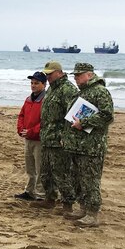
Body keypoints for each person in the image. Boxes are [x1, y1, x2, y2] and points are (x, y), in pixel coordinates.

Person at [62, 63, 114, 227]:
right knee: (78, 178)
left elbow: (107, 116)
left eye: (79, 75)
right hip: (78, 145)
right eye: (75, 75)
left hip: (92, 146)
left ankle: (92, 214)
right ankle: (83, 208)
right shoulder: (82, 92)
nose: (76, 78)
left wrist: (83, 123)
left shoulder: (100, 91)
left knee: (90, 180)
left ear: (90, 75)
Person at [32, 61, 78, 215]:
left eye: (50, 73)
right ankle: (49, 199)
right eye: (46, 73)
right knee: (45, 171)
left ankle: (67, 204)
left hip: (59, 138)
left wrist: (66, 136)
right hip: (47, 136)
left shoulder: (68, 89)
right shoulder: (52, 88)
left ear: (59, 72)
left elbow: (72, 115)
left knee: (61, 172)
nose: (48, 76)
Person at [14, 71, 47, 201]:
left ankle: (40, 194)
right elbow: (21, 115)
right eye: (32, 83)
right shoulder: (28, 99)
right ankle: (30, 191)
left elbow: (45, 121)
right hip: (28, 138)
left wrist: (32, 131)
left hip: (39, 139)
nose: (33, 85)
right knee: (30, 167)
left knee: (40, 168)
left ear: (44, 84)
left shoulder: (46, 100)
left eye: (36, 83)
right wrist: (21, 129)